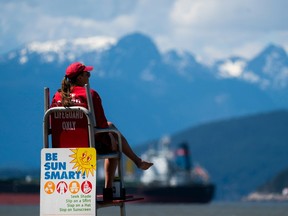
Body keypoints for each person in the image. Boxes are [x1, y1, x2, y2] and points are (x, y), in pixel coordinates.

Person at [51, 62, 153, 199]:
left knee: (111, 131)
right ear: (80, 78)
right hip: (88, 145)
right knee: (114, 140)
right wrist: (109, 134)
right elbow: (102, 124)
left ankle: (137, 162)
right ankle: (109, 188)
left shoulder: (58, 96)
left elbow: (51, 123)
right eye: (87, 74)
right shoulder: (90, 94)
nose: (89, 77)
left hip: (61, 146)